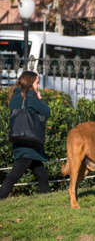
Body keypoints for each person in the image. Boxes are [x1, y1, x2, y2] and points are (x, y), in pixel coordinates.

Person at [0, 71, 51, 199]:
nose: (38, 86)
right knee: (14, 174)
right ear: (30, 83)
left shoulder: (15, 96)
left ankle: (47, 198)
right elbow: (46, 111)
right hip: (29, 143)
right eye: (37, 83)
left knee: (41, 173)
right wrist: (40, 98)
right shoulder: (31, 97)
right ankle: (1, 196)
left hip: (20, 140)